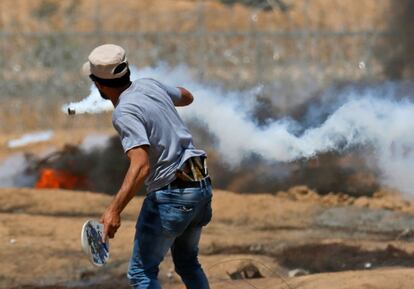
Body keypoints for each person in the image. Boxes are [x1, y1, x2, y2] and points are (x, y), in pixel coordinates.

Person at [82, 44, 212, 289]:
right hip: (200, 187)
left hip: (172, 195)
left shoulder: (124, 112)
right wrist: (158, 105)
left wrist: (113, 210)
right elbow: (187, 96)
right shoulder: (149, 84)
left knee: (141, 274)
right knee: (187, 262)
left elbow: (141, 165)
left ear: (98, 84)